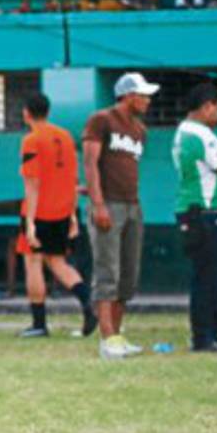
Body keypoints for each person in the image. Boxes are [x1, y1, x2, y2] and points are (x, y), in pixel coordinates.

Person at [82, 72, 155, 360]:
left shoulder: (140, 130)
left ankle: (118, 335)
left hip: (133, 205)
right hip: (109, 204)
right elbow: (90, 163)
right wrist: (98, 204)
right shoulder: (102, 120)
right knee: (107, 272)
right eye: (143, 95)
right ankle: (107, 337)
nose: (148, 101)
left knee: (127, 275)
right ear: (127, 95)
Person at [16, 93, 97, 338]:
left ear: (26, 113)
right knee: (58, 262)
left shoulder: (31, 140)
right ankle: (88, 303)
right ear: (48, 112)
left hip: (39, 211)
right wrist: (72, 215)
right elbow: (73, 178)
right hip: (62, 211)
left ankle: (39, 324)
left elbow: (32, 182)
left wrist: (29, 222)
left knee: (33, 263)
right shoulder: (65, 137)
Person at [171, 83, 217, 352]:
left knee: (210, 276)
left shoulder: (184, 133)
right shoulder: (202, 134)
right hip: (209, 216)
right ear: (206, 105)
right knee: (211, 277)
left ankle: (213, 335)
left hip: (196, 214)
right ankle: (206, 337)